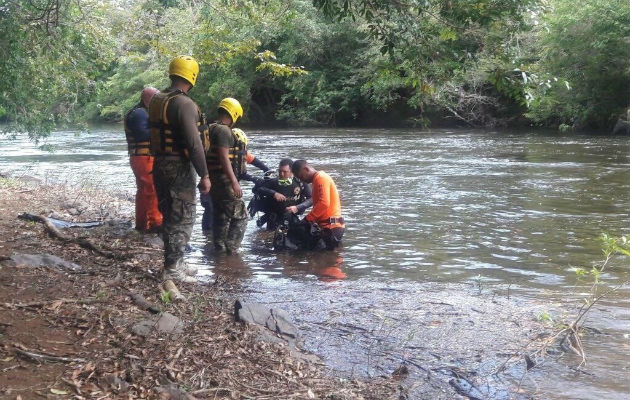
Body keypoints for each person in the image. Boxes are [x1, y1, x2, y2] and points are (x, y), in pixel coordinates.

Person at [148, 55, 211, 282]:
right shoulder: (184, 103)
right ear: (192, 76)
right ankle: (172, 268)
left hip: (160, 164)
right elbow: (194, 144)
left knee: (170, 214)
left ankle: (178, 261)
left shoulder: (157, 99)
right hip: (178, 167)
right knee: (182, 216)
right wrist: (204, 174)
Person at [201, 128, 269, 231]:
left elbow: (253, 160)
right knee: (210, 209)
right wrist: (253, 178)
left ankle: (212, 236)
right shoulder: (221, 152)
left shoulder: (239, 152)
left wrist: (267, 170)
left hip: (223, 188)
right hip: (211, 186)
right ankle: (207, 236)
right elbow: (237, 174)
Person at [205, 98, 249, 254]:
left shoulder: (210, 128)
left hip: (213, 180)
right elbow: (224, 157)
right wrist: (234, 182)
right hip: (224, 181)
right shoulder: (224, 131)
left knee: (220, 215)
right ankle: (232, 249)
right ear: (234, 114)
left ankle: (219, 249)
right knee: (242, 215)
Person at [124, 87, 163, 232]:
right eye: (156, 97)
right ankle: (155, 224)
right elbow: (143, 135)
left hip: (143, 157)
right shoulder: (139, 113)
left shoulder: (143, 112)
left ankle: (142, 224)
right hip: (143, 157)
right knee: (151, 189)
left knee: (144, 190)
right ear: (148, 98)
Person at [283, 160, 345, 250]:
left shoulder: (321, 178)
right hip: (327, 226)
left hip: (332, 228)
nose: (301, 180)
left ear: (306, 169)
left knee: (320, 260)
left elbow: (324, 203)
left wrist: (307, 219)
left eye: (301, 176)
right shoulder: (317, 180)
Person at [248, 158, 312, 230]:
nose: (282, 174)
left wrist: (298, 207)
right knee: (271, 232)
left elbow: (311, 198)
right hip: (274, 213)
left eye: (285, 172)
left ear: (292, 171)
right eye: (280, 171)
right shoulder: (274, 180)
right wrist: (274, 193)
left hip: (292, 213)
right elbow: (259, 189)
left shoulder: (300, 181)